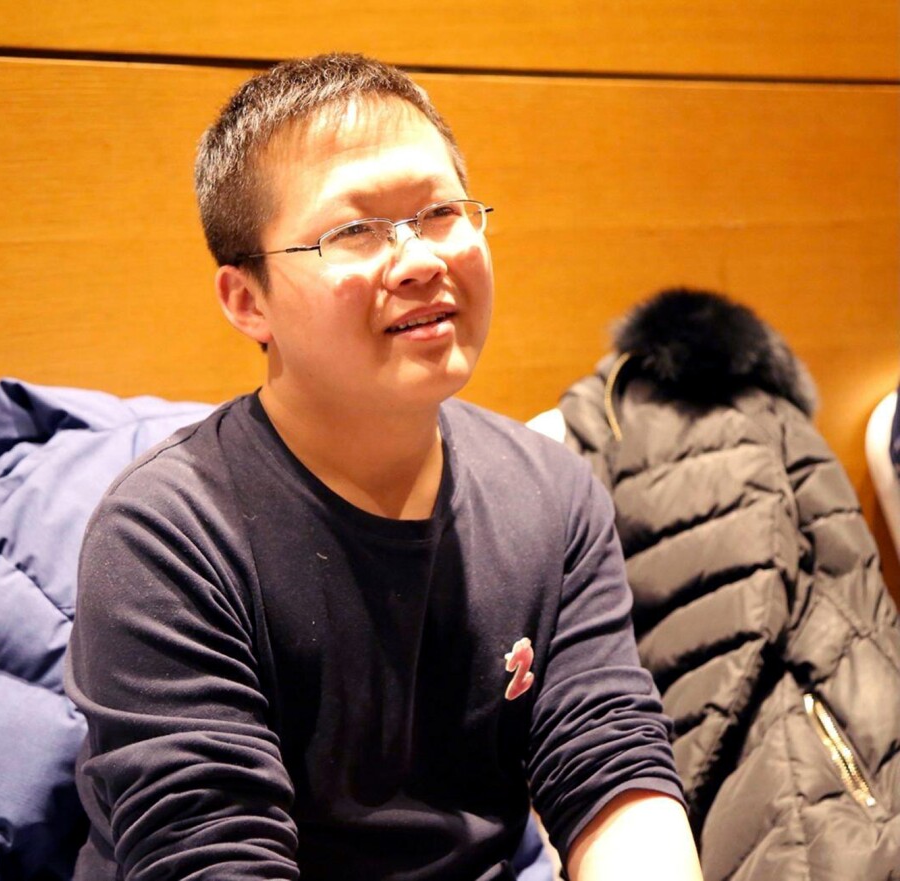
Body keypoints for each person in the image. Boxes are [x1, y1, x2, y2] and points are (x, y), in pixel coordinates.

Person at [65, 53, 703, 881]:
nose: (417, 260)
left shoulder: (551, 492)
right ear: (246, 300)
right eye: (354, 230)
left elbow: (612, 768)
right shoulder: (165, 536)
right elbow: (212, 856)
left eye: (440, 211)